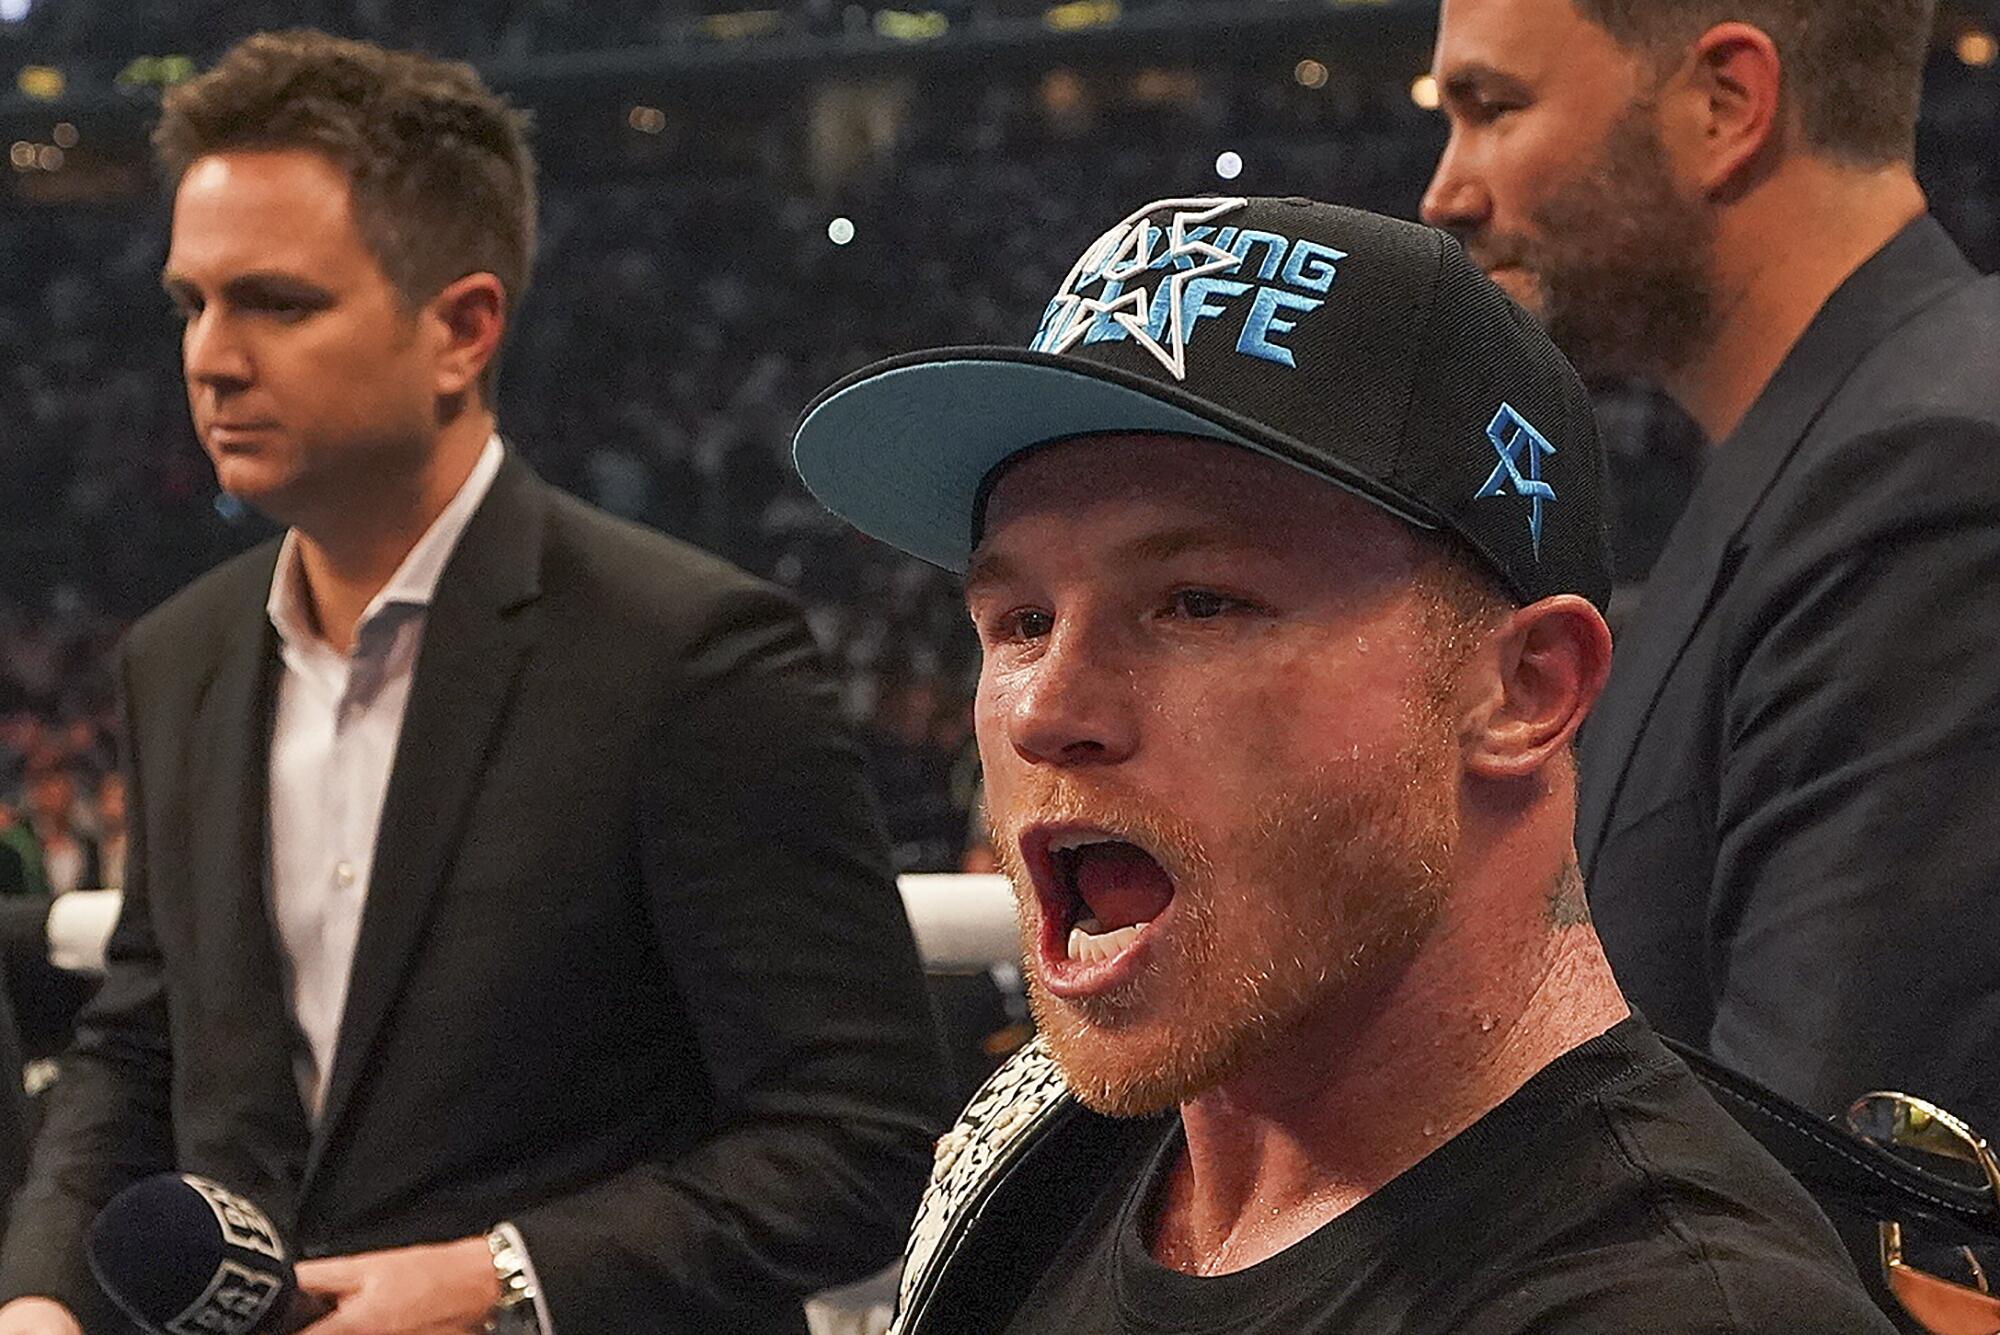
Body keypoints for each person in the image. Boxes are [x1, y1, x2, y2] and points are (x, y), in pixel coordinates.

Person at [791, 194, 1894, 1333]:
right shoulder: (1034, 1149)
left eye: (1196, 603)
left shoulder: (1683, 1311)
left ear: (1522, 691)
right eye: (1018, 621)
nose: (1045, 711)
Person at [0, 30, 946, 1335]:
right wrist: (42, 1291)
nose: (210, 357)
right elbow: (140, 1043)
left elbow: (862, 1138)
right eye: (190, 302)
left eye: (275, 301)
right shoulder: (182, 654)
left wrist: (501, 1275)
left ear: (460, 329)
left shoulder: (690, 651)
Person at [1423, 0, 2000, 1144]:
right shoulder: (1835, 448)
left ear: (1724, 105)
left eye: (1490, 108)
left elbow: (1824, 1185)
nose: (1446, 191)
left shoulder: (1927, 472)